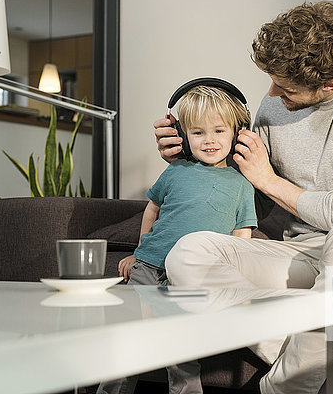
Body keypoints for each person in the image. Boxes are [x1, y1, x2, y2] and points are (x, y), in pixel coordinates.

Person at [154, 1, 333, 394]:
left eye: (283, 88)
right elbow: (249, 197)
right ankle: (303, 358)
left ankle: (284, 388)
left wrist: (268, 180)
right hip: (302, 251)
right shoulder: (274, 101)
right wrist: (189, 159)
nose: (270, 94)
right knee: (187, 253)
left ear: (330, 85)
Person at [98, 84, 257, 394]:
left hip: (191, 277)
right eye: (198, 133)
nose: (209, 140)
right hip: (148, 266)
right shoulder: (175, 171)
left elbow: (242, 237)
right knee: (129, 340)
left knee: (180, 348)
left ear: (237, 133)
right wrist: (138, 252)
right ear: (183, 137)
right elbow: (152, 209)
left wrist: (239, 282)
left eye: (219, 131)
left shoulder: (241, 185)